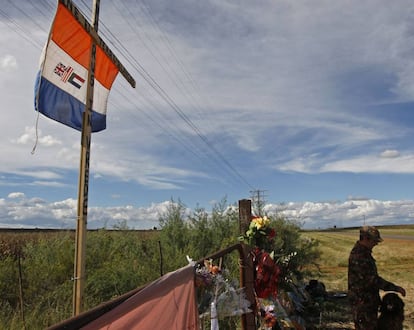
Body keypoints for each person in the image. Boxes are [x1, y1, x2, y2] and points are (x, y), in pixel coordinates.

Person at [348, 226, 406, 330]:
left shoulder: (364, 253)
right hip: (363, 304)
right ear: (366, 239)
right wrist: (395, 288)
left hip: (368, 302)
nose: (376, 243)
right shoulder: (359, 256)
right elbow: (373, 280)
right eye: (374, 240)